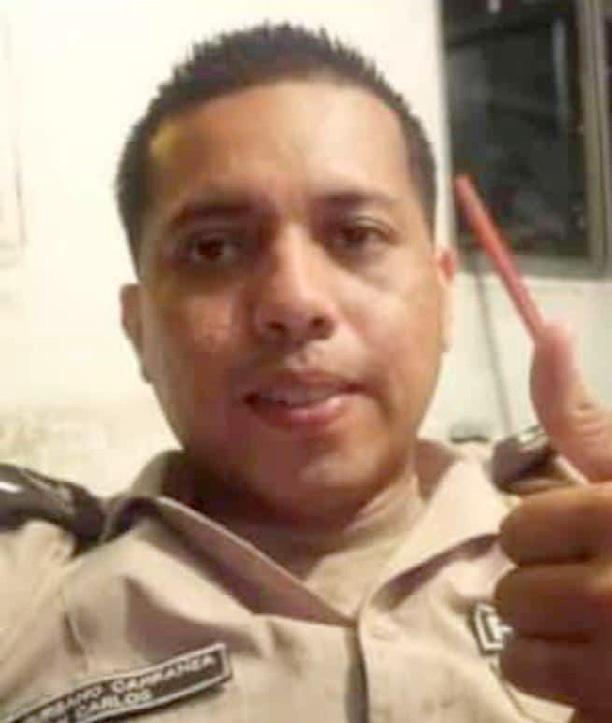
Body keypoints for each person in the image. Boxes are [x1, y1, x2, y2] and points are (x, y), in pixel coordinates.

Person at [2, 24, 612, 723]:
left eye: (357, 235)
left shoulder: (585, 529)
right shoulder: (27, 599)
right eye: (212, 248)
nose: (295, 303)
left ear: (444, 297)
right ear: (138, 326)